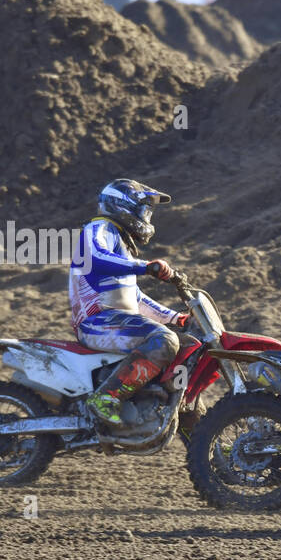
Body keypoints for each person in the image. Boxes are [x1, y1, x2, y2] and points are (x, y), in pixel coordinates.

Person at [69, 179, 189, 426]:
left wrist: (176, 318)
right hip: (96, 321)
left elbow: (135, 298)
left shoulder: (122, 243)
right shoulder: (98, 228)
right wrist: (146, 267)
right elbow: (97, 257)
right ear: (123, 206)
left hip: (118, 320)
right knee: (164, 340)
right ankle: (106, 398)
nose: (147, 216)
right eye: (144, 209)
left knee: (184, 345)